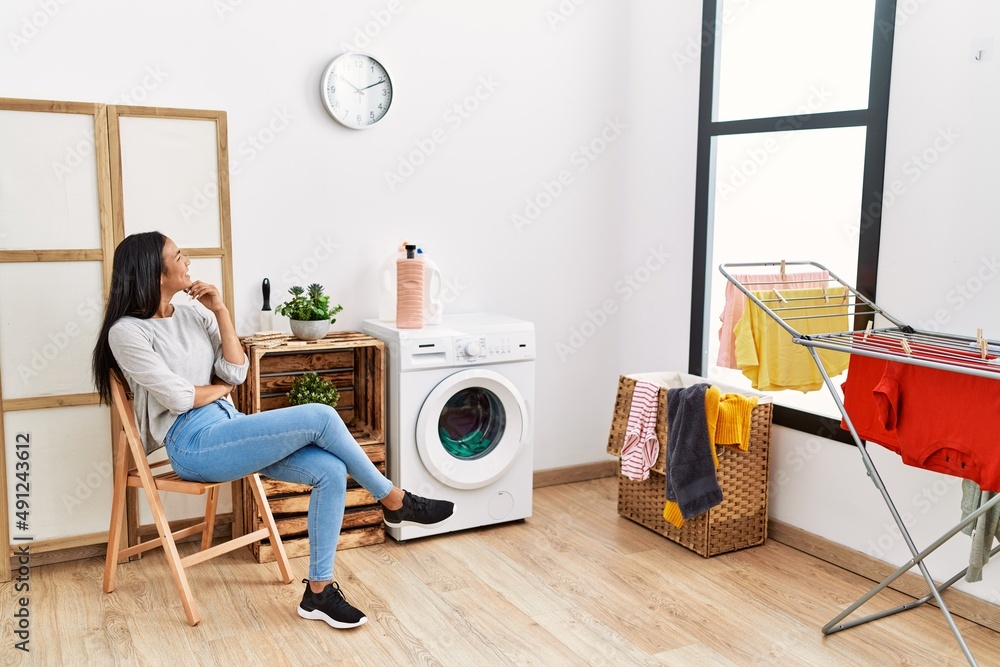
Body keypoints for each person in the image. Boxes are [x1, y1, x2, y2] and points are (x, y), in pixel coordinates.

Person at [91, 231, 454, 630]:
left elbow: (236, 371)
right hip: (192, 444)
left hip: (230, 426)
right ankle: (394, 499)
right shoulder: (127, 332)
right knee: (320, 415)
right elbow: (178, 397)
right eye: (179, 256)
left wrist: (221, 312)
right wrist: (219, 391)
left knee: (330, 471)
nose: (187, 261)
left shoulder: (195, 314)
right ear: (156, 274)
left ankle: (318, 592)